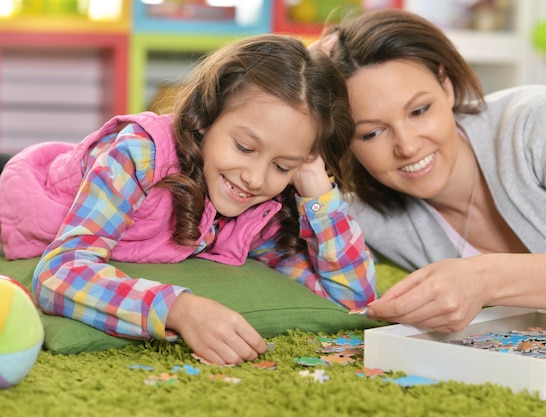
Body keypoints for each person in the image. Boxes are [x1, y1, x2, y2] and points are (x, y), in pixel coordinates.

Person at [0, 34, 376, 365]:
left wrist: (318, 192)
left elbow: (353, 298)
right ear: (206, 118)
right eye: (244, 147)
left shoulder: (263, 204)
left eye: (282, 164)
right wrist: (177, 309)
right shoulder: (139, 155)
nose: (255, 178)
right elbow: (58, 274)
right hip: (39, 196)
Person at [318, 8, 546, 332]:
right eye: (372, 133)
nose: (407, 146)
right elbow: (268, 235)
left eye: (420, 110)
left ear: (446, 86)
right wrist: (305, 90)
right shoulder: (365, 218)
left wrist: (483, 279)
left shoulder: (539, 121)